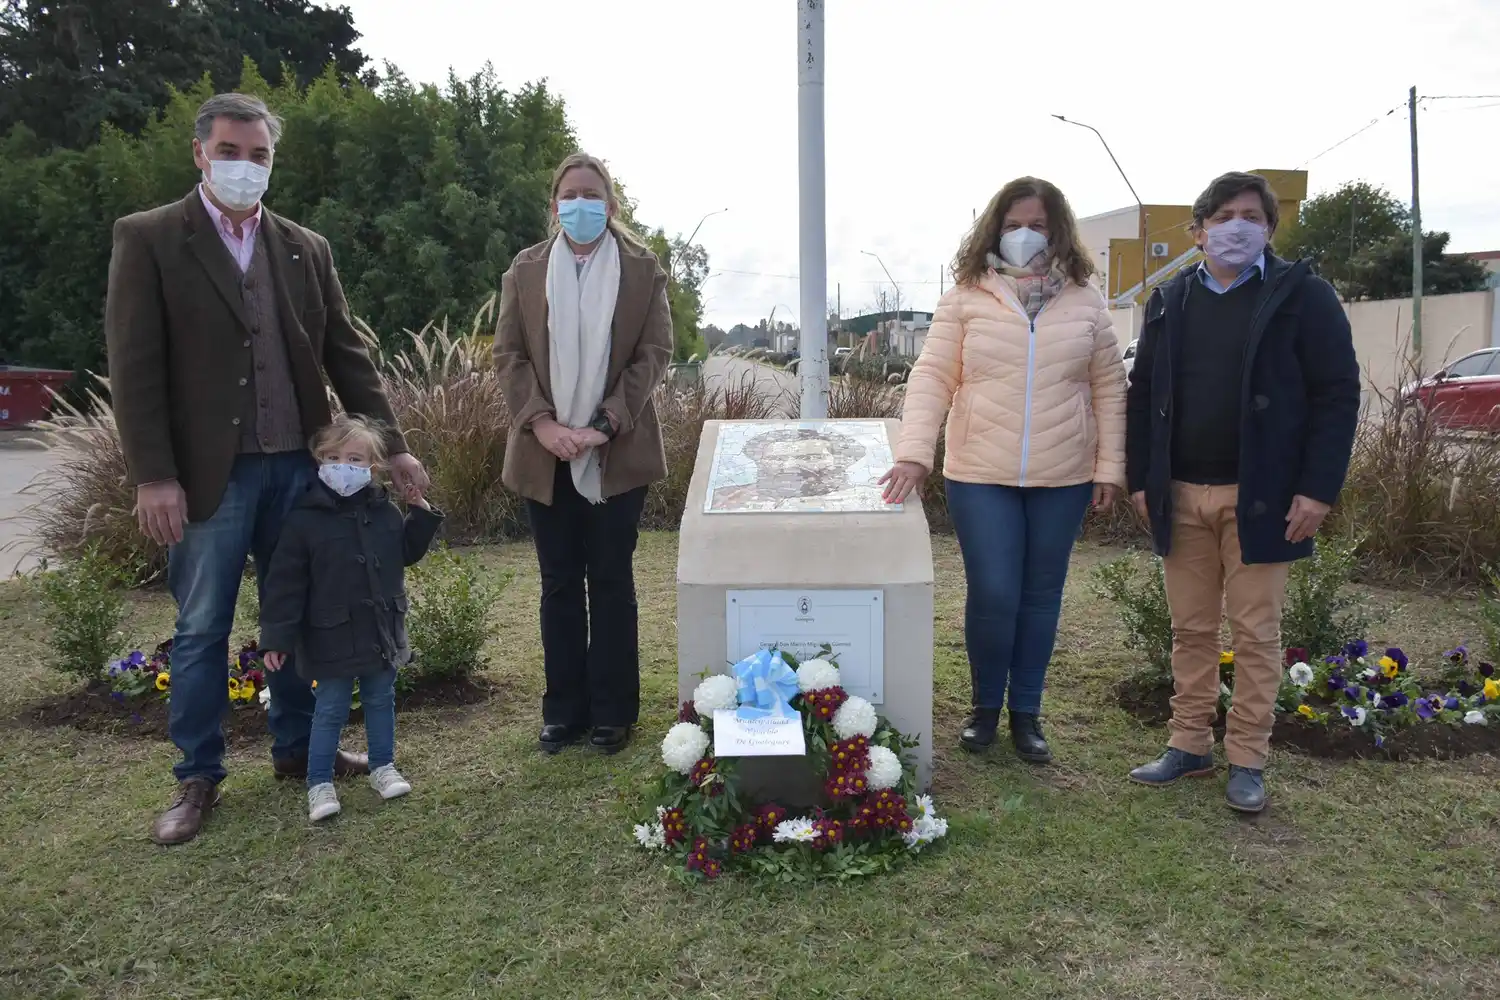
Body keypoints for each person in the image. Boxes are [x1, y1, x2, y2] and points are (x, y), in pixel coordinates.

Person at [104, 93, 430, 845]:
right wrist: (154, 474)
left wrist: (396, 442)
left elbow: (346, 352)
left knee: (304, 610)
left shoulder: (303, 246)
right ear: (200, 153)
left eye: (259, 156)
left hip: (297, 466)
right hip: (207, 476)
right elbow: (136, 366)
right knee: (201, 628)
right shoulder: (150, 238)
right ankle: (197, 778)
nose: (245, 167)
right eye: (230, 151)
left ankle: (294, 750)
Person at [1125, 171, 1359, 813]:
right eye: (1225, 214)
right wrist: (1143, 477)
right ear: (1199, 230)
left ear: (1269, 229)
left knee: (1256, 633)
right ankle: (1189, 743)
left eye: (1252, 215)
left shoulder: (1303, 296)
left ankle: (1247, 758)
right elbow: (1143, 394)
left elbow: (1337, 396)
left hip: (1266, 498)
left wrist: (1317, 489)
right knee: (1191, 628)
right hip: (1181, 492)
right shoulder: (1169, 300)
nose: (1238, 225)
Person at [881, 176, 1127, 763]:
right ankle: (985, 708)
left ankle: (1028, 713)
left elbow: (1109, 388)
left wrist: (1110, 468)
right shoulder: (966, 296)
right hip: (980, 473)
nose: (1025, 235)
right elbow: (934, 376)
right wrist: (916, 452)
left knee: (1040, 597)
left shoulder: (1086, 300)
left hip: (1063, 474)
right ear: (995, 229)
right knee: (993, 593)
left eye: (1037, 225)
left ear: (1058, 229)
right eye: (1014, 224)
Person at [493, 152, 673, 756]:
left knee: (612, 581)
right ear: (554, 206)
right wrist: (541, 424)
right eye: (570, 195)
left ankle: (613, 713)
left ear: (611, 205)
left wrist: (603, 424)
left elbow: (653, 354)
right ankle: (563, 712)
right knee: (559, 584)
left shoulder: (642, 270)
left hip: (613, 453)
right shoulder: (525, 270)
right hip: (545, 453)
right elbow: (509, 356)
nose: (581, 204)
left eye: (592, 195)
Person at [259, 415, 444, 822]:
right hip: (330, 635)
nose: (343, 464)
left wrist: (420, 512)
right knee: (330, 707)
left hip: (381, 631)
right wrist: (276, 637)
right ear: (319, 461)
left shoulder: (385, 514)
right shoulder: (303, 519)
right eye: (332, 456)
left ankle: (382, 766)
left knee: (380, 699)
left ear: (372, 465)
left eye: (354, 457)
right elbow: (285, 583)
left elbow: (405, 554)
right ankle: (319, 783)